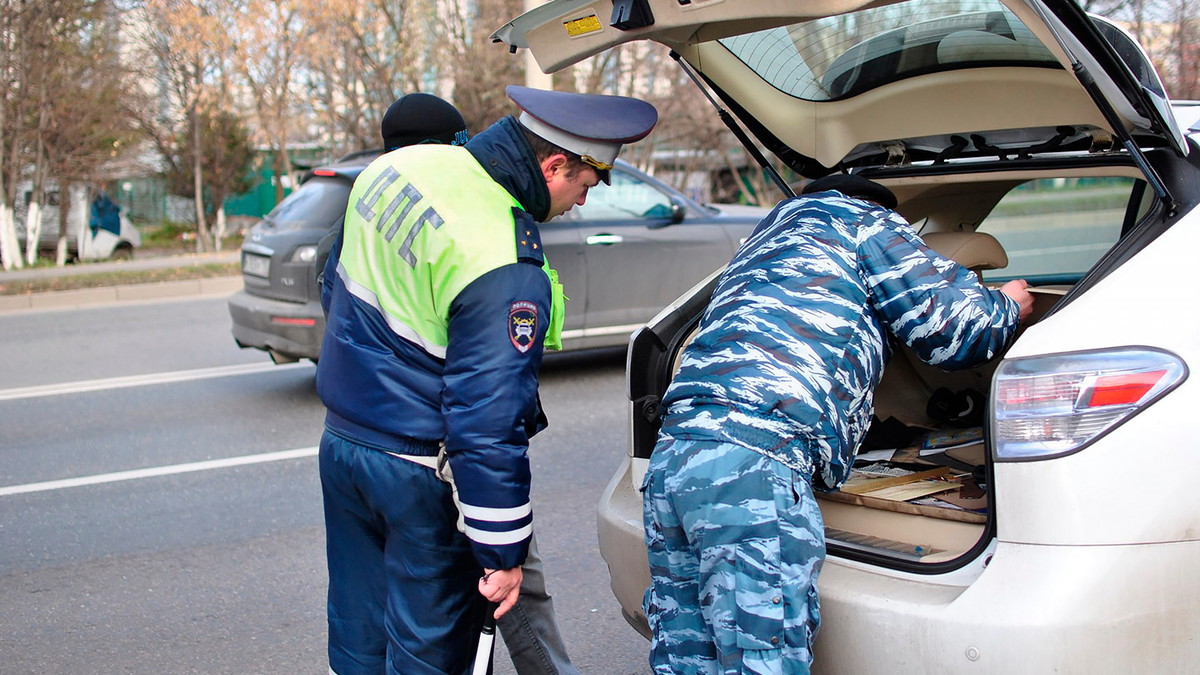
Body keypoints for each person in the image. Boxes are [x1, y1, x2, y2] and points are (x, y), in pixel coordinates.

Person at [316, 85, 657, 675]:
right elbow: (486, 418)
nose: (585, 198)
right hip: (421, 473)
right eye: (586, 182)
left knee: (359, 634)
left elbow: (334, 282)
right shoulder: (502, 255)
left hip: (344, 446)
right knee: (433, 654)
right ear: (554, 165)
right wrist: (501, 555)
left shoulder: (398, 168)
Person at [641, 173, 1034, 675]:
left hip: (674, 457)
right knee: (763, 658)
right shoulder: (865, 223)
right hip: (753, 466)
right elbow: (951, 332)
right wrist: (1006, 306)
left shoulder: (769, 231)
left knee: (685, 654)